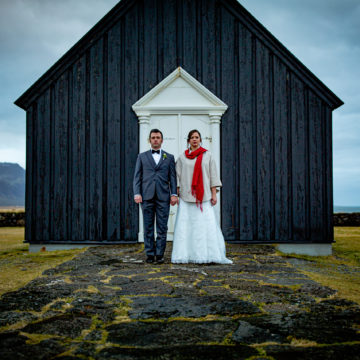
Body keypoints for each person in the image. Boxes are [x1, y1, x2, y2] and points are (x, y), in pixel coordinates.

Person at [171, 129, 232, 264]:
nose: (194, 139)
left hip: (203, 197)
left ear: (200, 140)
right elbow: (177, 177)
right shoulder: (182, 157)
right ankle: (185, 255)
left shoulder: (207, 156)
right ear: (188, 141)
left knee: (204, 227)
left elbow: (213, 176)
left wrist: (214, 194)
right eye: (192, 137)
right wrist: (176, 193)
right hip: (186, 197)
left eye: (197, 137)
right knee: (186, 227)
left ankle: (207, 255)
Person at [133, 129, 177, 264]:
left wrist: (174, 194)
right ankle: (150, 254)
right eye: (153, 138)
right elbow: (137, 177)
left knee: (162, 227)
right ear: (149, 140)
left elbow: (172, 178)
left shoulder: (169, 157)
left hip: (163, 197)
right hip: (146, 196)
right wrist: (137, 193)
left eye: (158, 137)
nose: (155, 140)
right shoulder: (142, 156)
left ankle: (160, 254)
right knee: (148, 227)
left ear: (162, 140)